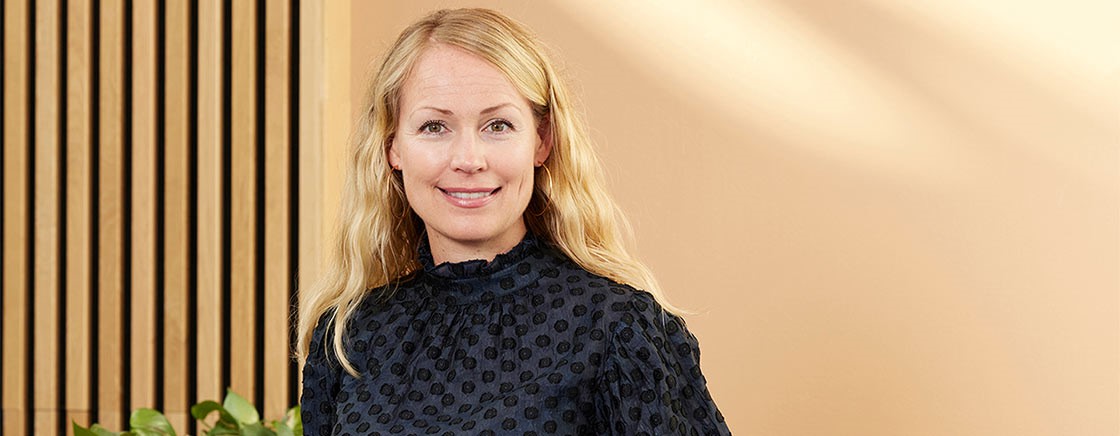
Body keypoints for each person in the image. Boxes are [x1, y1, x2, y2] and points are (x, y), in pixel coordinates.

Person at [297, 8, 731, 435]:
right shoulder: (348, 335)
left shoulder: (618, 328)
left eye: (498, 125)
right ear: (392, 146)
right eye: (434, 127)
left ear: (542, 141)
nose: (468, 159)